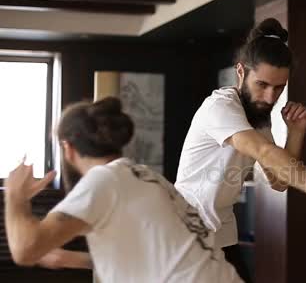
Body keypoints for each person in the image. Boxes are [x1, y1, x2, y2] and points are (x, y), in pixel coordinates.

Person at [175, 18, 306, 280]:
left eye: (279, 88)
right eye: (262, 85)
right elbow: (264, 153)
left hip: (222, 232)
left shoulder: (258, 119)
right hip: (186, 231)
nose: (269, 98)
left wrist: (295, 133)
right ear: (241, 72)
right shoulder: (219, 107)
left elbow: (278, 180)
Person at [4, 97, 242, 283]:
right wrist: (69, 258)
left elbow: (25, 250)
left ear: (67, 148)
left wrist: (15, 196)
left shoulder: (102, 181)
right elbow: (157, 255)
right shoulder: (146, 177)